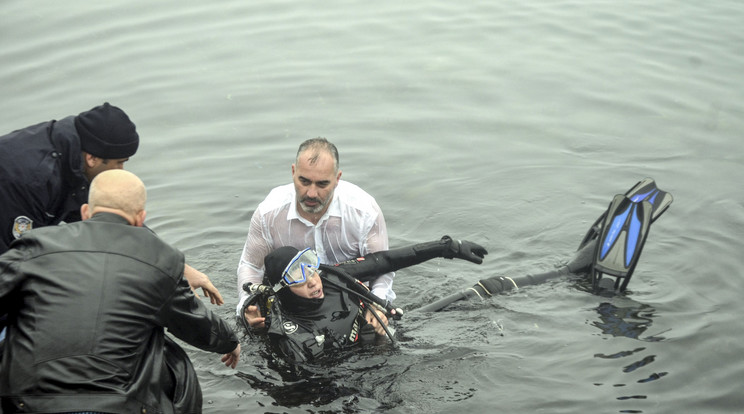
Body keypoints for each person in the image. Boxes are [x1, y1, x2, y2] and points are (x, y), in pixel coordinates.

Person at [0, 170, 240, 413]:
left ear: (85, 213)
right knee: (169, 352)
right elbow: (195, 323)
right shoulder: (161, 257)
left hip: (28, 404)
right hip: (118, 406)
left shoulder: (33, 245)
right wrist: (229, 341)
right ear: (140, 219)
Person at [0, 102, 223, 303]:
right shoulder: (34, 179)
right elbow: (19, 263)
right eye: (118, 163)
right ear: (92, 158)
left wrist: (178, 268)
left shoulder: (74, 161)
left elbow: (116, 223)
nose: (121, 172)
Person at [241, 236, 488, 364]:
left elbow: (386, 260)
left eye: (310, 266)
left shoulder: (331, 276)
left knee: (477, 294)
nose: (312, 280)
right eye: (298, 276)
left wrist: (447, 247)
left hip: (387, 336)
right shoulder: (287, 331)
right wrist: (375, 338)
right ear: (282, 288)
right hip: (367, 365)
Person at [237, 137, 393, 327]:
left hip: (352, 298)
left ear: (337, 179)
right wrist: (247, 305)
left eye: (321, 184)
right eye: (304, 181)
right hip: (294, 303)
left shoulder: (364, 212)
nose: (311, 193)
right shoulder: (269, 213)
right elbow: (251, 266)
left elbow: (382, 267)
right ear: (293, 172)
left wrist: (377, 304)